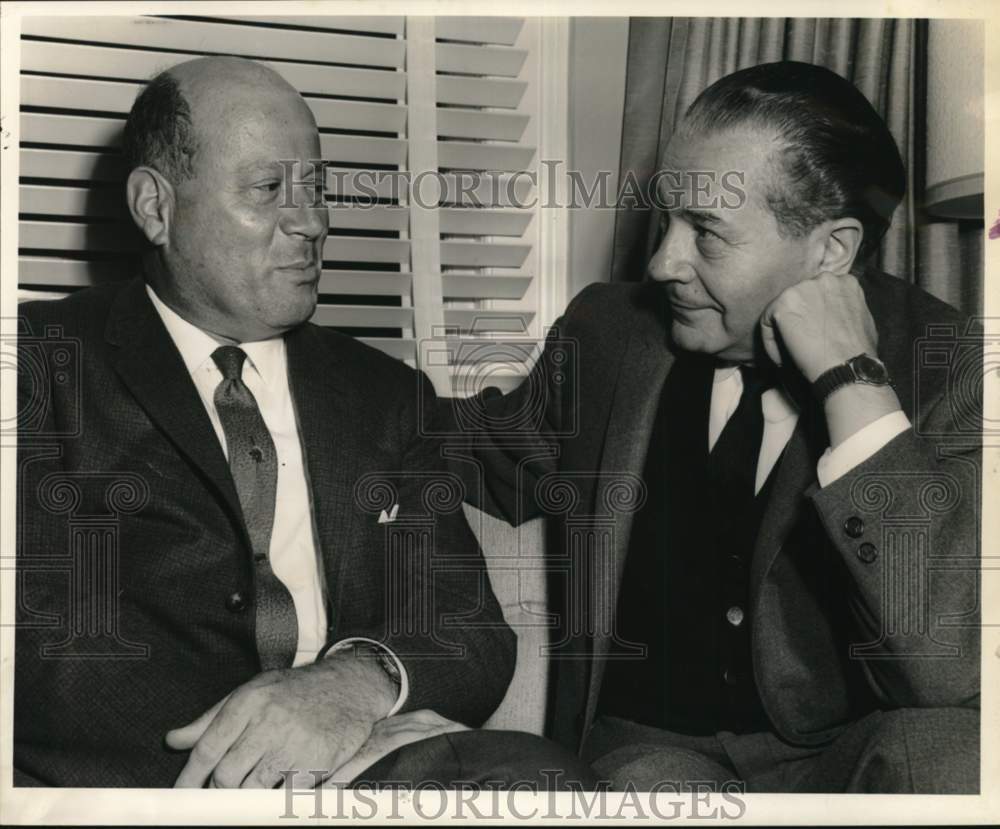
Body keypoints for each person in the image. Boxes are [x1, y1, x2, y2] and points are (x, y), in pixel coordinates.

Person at [14, 56, 595, 791]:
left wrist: (358, 684)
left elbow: (466, 625)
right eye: (268, 190)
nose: (313, 222)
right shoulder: (39, 365)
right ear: (155, 208)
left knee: (538, 778)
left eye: (316, 188)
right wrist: (252, 747)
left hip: (361, 763)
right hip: (142, 786)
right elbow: (29, 643)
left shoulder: (384, 393)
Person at [446, 61, 981, 793]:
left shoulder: (946, 366)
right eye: (667, 217)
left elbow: (946, 670)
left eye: (706, 231)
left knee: (959, 756)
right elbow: (463, 452)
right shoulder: (610, 336)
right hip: (655, 749)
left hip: (852, 755)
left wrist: (852, 382)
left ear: (831, 251)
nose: (664, 261)